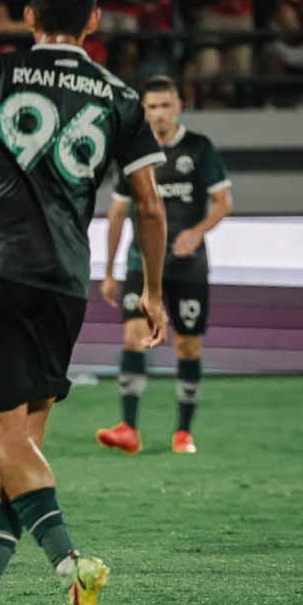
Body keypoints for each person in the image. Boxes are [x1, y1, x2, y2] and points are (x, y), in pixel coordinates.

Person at [0, 0, 170, 605]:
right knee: (19, 439)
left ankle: (74, 565)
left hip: (4, 269)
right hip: (66, 280)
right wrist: (154, 292)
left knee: (3, 440)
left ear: (28, 16)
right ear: (93, 19)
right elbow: (148, 203)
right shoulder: (120, 96)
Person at [98, 75, 232, 455]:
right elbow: (117, 214)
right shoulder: (134, 151)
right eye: (152, 107)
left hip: (188, 266)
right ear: (144, 110)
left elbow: (223, 202)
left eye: (165, 105)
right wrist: (109, 271)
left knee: (188, 346)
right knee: (133, 336)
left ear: (179, 107)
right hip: (142, 263)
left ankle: (183, 432)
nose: (159, 113)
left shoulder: (199, 149)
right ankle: (128, 427)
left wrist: (197, 232)